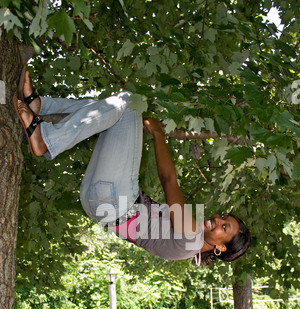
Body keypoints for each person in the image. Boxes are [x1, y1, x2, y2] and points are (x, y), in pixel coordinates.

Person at [14, 69, 251, 266]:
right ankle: (41, 106)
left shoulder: (191, 236)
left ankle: (46, 139)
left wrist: (158, 134)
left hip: (116, 202)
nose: (217, 220)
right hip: (99, 203)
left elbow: (168, 179)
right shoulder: (187, 248)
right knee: (110, 114)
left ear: (220, 247)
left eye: (224, 227)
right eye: (223, 217)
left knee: (130, 103)